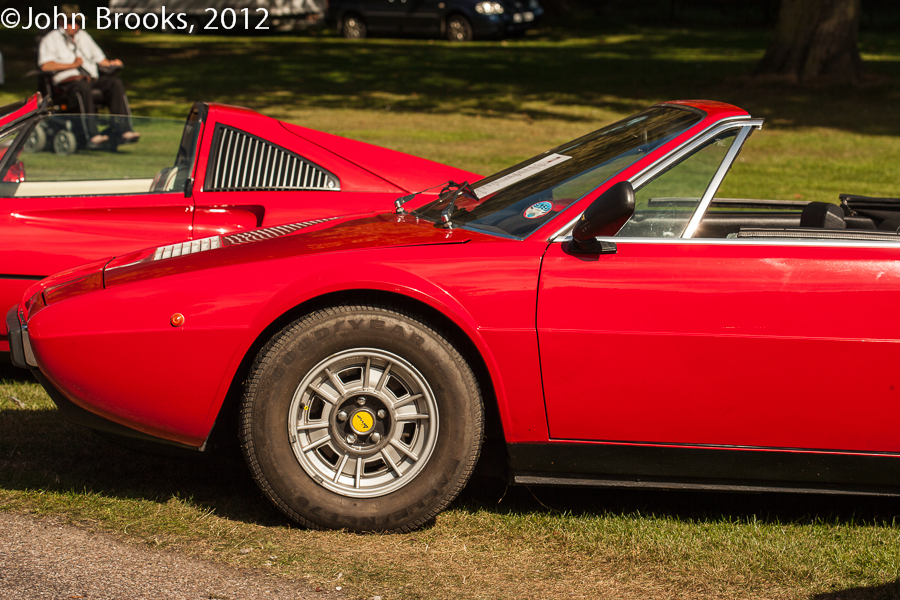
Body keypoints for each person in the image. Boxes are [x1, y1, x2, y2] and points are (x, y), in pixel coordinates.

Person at [38, 4, 139, 146]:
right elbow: (45, 65)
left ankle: (124, 130)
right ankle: (92, 135)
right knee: (82, 87)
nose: (74, 25)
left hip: (90, 79)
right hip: (67, 83)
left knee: (114, 83)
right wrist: (72, 65)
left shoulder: (84, 37)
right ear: (61, 22)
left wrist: (111, 64)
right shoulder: (50, 39)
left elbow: (100, 59)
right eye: (70, 21)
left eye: (77, 22)